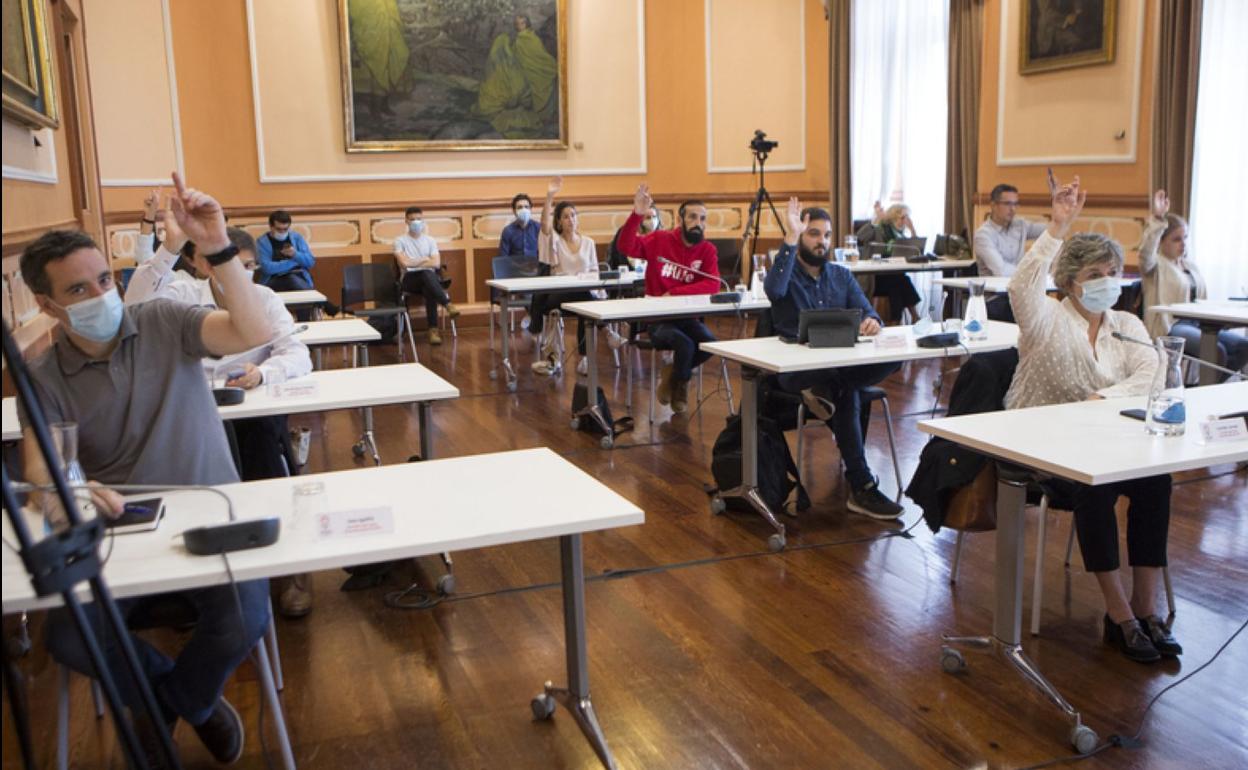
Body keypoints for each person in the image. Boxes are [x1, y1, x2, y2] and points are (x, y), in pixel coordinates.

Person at [18, 172, 276, 763]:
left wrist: (217, 245)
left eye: (104, 280)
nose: (100, 295)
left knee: (244, 618)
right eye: (78, 289)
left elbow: (253, 330)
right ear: (47, 306)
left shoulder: (163, 320)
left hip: (211, 515)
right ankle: (196, 705)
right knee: (70, 638)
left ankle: (165, 709)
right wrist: (74, 492)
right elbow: (42, 475)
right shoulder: (43, 378)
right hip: (121, 534)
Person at [1006, 175, 1181, 664]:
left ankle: (1147, 609)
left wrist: (1103, 396)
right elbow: (1021, 286)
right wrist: (1057, 227)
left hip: (1109, 444)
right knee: (1095, 487)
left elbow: (1154, 372)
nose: (1109, 281)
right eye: (1095, 274)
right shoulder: (1046, 319)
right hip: (1042, 447)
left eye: (1114, 271)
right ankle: (1119, 614)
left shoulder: (1126, 325)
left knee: (1156, 481)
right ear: (1069, 281)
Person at [125, 218, 316, 618]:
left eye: (248, 267)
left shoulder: (264, 298)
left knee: (264, 453)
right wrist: (168, 249)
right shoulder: (183, 293)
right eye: (233, 266)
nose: (242, 275)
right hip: (194, 410)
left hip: (254, 410)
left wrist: (263, 372)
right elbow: (134, 307)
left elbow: (297, 353)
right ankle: (204, 572)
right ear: (208, 267)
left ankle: (291, 567)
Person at [764, 198, 905, 520]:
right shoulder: (786, 274)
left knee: (892, 360)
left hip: (838, 365)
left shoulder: (841, 276)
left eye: (826, 235)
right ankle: (862, 486)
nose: (821, 241)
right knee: (847, 391)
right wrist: (790, 237)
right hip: (797, 370)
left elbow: (869, 313)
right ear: (801, 236)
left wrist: (872, 323)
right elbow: (773, 291)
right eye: (813, 234)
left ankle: (824, 395)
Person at [616, 184, 720, 413]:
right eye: (693, 217)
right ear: (680, 220)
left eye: (703, 219)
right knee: (685, 344)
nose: (698, 223)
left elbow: (713, 284)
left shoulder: (707, 250)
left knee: (711, 344)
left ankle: (674, 375)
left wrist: (675, 292)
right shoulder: (660, 240)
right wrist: (637, 214)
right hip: (658, 319)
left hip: (687, 317)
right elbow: (625, 246)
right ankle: (681, 386)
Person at [1139, 189, 1247, 380]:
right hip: (1172, 326)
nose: (1183, 244)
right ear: (1161, 242)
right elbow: (1146, 252)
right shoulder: (1155, 266)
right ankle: (1208, 389)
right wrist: (1158, 219)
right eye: (1176, 239)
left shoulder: (1190, 266)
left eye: (1185, 238)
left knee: (1243, 346)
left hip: (1198, 323)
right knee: (1216, 351)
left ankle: (1211, 386)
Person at [529, 176, 599, 376]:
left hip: (582, 292)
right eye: (566, 216)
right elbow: (544, 226)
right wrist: (549, 197)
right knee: (587, 303)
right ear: (559, 221)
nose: (571, 220)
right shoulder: (555, 241)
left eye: (573, 215)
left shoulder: (588, 243)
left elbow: (594, 271)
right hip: (558, 295)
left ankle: (585, 359)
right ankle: (608, 331)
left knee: (587, 306)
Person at [474, 13, 558, 137]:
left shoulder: (530, 38)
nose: (519, 26)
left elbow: (539, 57)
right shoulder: (519, 39)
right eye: (517, 24)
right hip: (520, 72)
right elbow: (516, 56)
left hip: (531, 74)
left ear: (527, 24)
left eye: (522, 23)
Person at [394, 206, 461, 346]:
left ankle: (433, 330)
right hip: (409, 280)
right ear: (406, 221)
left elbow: (436, 263)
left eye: (419, 219)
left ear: (423, 220)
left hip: (428, 280)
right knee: (427, 274)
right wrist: (425, 260)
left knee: (428, 284)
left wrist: (414, 262)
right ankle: (447, 304)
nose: (416, 222)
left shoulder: (430, 240)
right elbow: (404, 264)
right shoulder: (400, 241)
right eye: (412, 219)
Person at [855, 202, 923, 323]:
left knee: (900, 280)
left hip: (890, 276)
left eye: (907, 218)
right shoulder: (879, 229)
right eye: (902, 217)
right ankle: (906, 318)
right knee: (899, 281)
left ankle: (902, 319)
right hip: (874, 279)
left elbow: (916, 252)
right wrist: (875, 220)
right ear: (893, 218)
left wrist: (912, 229)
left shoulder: (899, 234)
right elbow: (860, 237)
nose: (905, 221)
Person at [973, 183, 1048, 277]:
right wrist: (1031, 273)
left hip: (1020, 283)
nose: (1013, 209)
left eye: (1015, 204)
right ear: (993, 205)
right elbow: (1002, 271)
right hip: (995, 285)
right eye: (1007, 204)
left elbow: (1049, 230)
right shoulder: (983, 235)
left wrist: (1059, 205)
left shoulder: (1020, 225)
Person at [255, 210, 316, 293]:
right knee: (291, 279)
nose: (282, 232)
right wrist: (295, 262)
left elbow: (310, 262)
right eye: (278, 229)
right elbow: (267, 268)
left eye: (285, 229)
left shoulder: (297, 238)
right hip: (274, 279)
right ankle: (315, 297)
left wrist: (295, 254)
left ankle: (314, 297)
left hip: (298, 276)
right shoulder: (262, 242)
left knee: (294, 280)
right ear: (271, 226)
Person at [498, 192, 541, 262]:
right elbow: (503, 257)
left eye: (526, 207)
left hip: (535, 267)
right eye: (520, 207)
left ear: (530, 209)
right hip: (514, 268)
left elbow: (544, 253)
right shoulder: (508, 231)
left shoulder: (538, 228)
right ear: (514, 211)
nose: (524, 210)